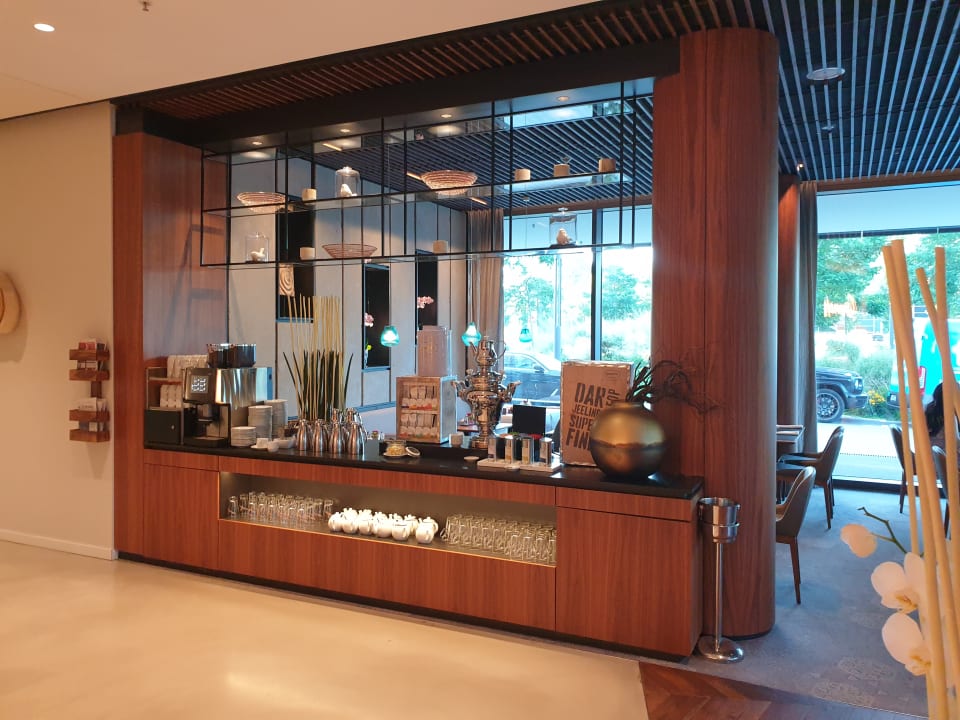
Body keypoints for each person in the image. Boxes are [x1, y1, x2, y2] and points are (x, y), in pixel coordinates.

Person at [925, 383, 960, 465]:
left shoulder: (928, 411)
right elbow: (956, 443)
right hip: (947, 464)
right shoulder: (949, 417)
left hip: (929, 461)